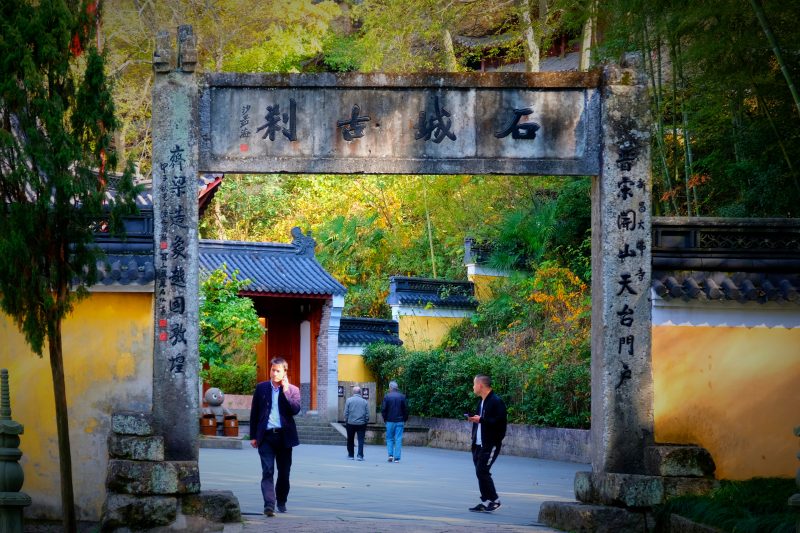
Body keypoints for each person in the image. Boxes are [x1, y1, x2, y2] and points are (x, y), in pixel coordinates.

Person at [249, 358, 301, 516]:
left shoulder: (293, 390)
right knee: (267, 471)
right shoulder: (261, 388)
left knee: (284, 474)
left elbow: (295, 410)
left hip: (284, 438)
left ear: (285, 372)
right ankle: (269, 505)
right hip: (266, 437)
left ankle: (281, 501)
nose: (275, 373)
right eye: (273, 370)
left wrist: (286, 391)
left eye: (278, 370)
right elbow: (254, 413)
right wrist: (253, 436)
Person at [467, 374, 507, 513]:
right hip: (478, 443)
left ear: (480, 385)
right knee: (480, 472)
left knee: (482, 471)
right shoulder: (481, 402)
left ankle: (495, 501)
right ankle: (486, 501)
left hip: (490, 443)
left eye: (474, 384)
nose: (473, 387)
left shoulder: (496, 401)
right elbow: (481, 420)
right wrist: (476, 420)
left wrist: (482, 420)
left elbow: (500, 421)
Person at [381, 381, 409, 463]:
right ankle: (397, 458)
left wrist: (385, 419)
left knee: (389, 438)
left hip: (390, 421)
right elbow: (406, 409)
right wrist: (404, 419)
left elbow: (384, 409)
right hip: (400, 421)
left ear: (390, 388)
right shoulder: (402, 396)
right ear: (397, 388)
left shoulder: (387, 397)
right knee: (398, 439)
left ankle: (390, 455)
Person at [343, 386, 370, 461]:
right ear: (360, 393)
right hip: (361, 423)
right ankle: (360, 455)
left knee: (350, 439)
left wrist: (346, 420)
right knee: (361, 440)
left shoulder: (349, 400)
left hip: (351, 423)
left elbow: (346, 412)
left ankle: (351, 455)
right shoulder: (364, 402)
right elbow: (367, 414)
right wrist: (366, 421)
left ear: (353, 392)